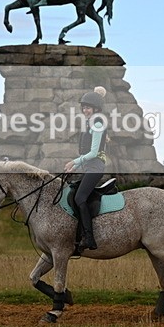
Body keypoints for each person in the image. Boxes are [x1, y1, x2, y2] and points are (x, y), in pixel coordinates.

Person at [63, 86, 108, 252]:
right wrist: (74, 166)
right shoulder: (90, 123)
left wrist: (74, 162)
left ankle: (89, 238)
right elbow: (85, 154)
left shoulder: (97, 123)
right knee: (73, 193)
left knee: (80, 197)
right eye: (83, 107)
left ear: (95, 108)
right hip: (89, 167)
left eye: (88, 107)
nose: (85, 110)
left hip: (95, 167)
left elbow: (94, 153)